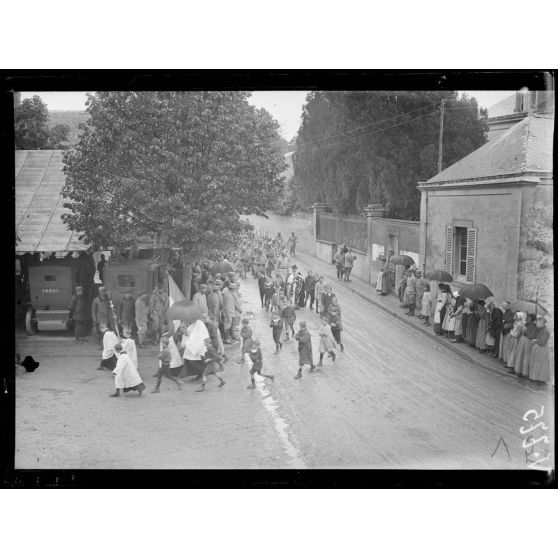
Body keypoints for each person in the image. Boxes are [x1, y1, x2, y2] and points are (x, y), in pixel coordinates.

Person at [528, 316, 551, 383]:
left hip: (542, 350)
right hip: (537, 349)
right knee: (536, 363)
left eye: (538, 323)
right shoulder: (539, 328)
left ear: (542, 323)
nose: (536, 324)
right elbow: (534, 336)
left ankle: (541, 379)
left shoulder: (546, 331)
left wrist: (535, 340)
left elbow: (542, 342)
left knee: (541, 365)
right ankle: (534, 377)